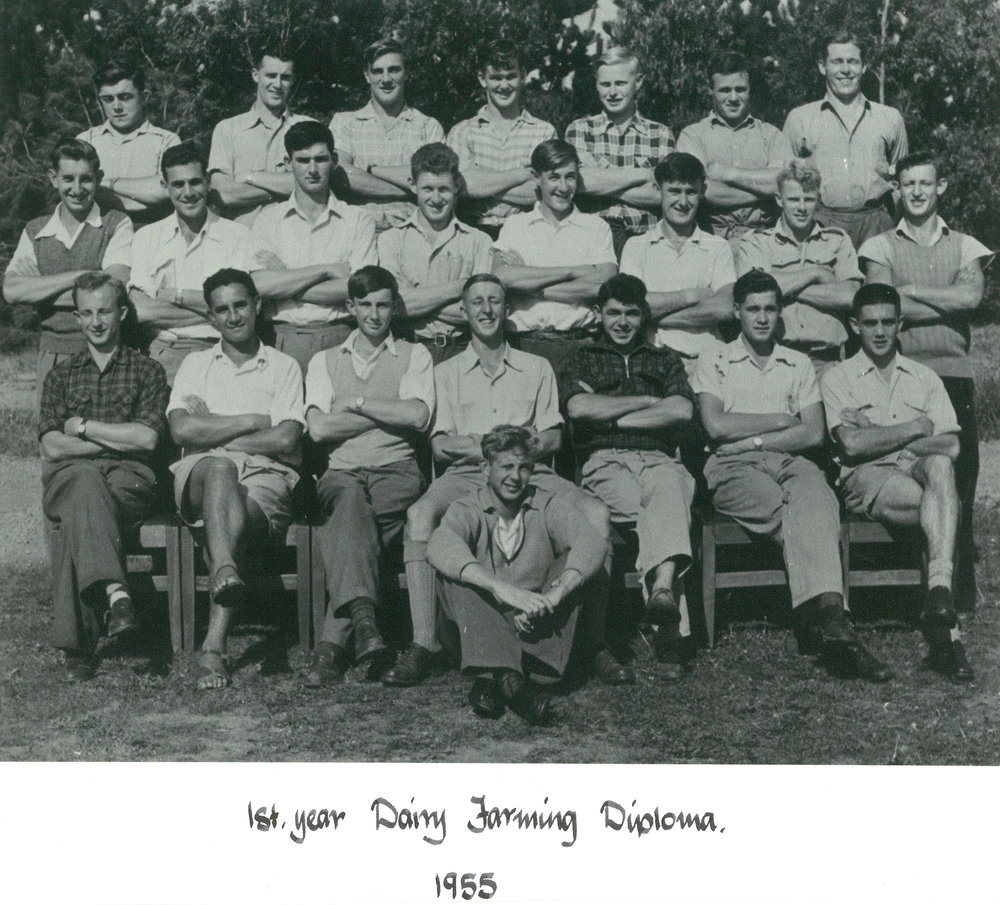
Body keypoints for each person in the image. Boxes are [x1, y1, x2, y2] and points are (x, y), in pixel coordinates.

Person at [389, 273, 620, 689]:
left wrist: (515, 451)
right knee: (420, 513)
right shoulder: (448, 371)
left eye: (495, 301)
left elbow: (552, 434)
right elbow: (442, 446)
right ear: (463, 311)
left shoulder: (536, 367)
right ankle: (423, 643)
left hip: (529, 470)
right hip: (468, 473)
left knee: (596, 513)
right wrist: (491, 450)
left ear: (508, 309)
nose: (487, 310)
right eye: (477, 302)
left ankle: (595, 643)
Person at [690, 269, 890, 681]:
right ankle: (827, 616)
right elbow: (715, 426)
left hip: (787, 460)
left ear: (780, 312)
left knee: (818, 496)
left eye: (770, 309)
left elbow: (813, 432)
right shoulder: (715, 359)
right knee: (788, 509)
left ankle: (831, 614)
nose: (762, 318)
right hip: (730, 468)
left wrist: (756, 440)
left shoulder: (797, 362)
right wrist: (782, 419)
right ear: (736, 312)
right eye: (753, 309)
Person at [858, 153, 992, 612]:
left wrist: (911, 292)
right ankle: (914, 588)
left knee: (961, 477)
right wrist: (942, 301)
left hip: (953, 375)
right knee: (910, 470)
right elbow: (882, 305)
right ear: (898, 189)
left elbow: (971, 296)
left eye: (925, 183)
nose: (916, 191)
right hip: (902, 373)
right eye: (908, 183)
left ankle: (956, 591)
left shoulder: (967, 246)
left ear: (942, 187)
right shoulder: (880, 247)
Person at [821, 283, 973, 681]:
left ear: (900, 323)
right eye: (870, 323)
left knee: (940, 467)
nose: (880, 331)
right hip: (868, 476)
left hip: (915, 466)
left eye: (888, 321)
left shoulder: (923, 377)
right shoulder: (839, 378)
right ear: (855, 326)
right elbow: (852, 445)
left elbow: (953, 444)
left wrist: (883, 432)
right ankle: (949, 638)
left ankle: (938, 590)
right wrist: (914, 427)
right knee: (942, 505)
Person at [168, 269, 305, 690]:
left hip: (264, 481)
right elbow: (182, 431)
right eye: (222, 310)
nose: (233, 316)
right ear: (211, 317)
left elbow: (287, 438)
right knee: (220, 470)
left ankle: (214, 637)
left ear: (257, 305)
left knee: (228, 519)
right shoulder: (195, 364)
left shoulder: (283, 367)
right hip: (201, 474)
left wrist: (213, 425)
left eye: (240, 305)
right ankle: (221, 592)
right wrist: (251, 421)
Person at [302, 266, 435, 686]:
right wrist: (384, 410)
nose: (375, 315)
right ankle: (360, 626)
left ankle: (334, 645)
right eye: (365, 305)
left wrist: (355, 403)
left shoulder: (415, 354)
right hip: (341, 472)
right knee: (352, 505)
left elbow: (417, 416)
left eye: (383, 305)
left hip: (396, 472)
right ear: (350, 307)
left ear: (394, 306)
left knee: (350, 524)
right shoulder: (324, 360)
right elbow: (319, 429)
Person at [560, 274, 697, 676]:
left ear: (643, 316)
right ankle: (670, 632)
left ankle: (661, 592)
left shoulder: (665, 359)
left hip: (658, 459)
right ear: (599, 314)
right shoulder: (581, 356)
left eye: (631, 313)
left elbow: (682, 410)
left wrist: (612, 414)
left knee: (668, 488)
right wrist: (647, 403)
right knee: (662, 511)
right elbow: (580, 409)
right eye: (614, 313)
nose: (622, 322)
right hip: (605, 461)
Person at [427, 425, 607, 725]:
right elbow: (439, 545)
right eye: (506, 466)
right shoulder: (467, 507)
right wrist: (500, 589)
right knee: (456, 574)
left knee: (574, 564)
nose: (515, 477)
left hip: (533, 624)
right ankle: (513, 683)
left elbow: (591, 541)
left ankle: (493, 677)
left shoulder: (546, 503)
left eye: (524, 467)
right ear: (485, 467)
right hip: (481, 624)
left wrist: (554, 594)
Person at [39, 272, 168, 680]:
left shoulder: (148, 370)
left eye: (105, 312)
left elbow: (146, 439)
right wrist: (115, 439)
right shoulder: (60, 375)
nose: (96, 322)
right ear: (76, 318)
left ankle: (78, 646)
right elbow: (52, 447)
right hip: (71, 477)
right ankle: (117, 594)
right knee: (84, 482)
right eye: (87, 313)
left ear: (123, 313)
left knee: (85, 499)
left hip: (130, 480)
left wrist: (84, 427)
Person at [4, 138, 133, 395]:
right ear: (54, 178)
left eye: (85, 179)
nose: (77, 188)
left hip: (106, 353)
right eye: (68, 179)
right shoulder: (36, 230)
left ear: (98, 178)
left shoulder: (117, 224)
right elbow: (12, 291)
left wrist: (39, 293)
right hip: (51, 353)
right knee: (52, 433)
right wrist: (85, 275)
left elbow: (113, 291)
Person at [247, 120, 377, 372]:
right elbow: (259, 286)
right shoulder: (267, 220)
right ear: (288, 164)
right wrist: (327, 270)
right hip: (281, 338)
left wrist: (285, 280)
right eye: (303, 160)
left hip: (341, 337)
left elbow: (361, 289)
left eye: (321, 159)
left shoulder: (358, 220)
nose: (313, 169)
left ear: (334, 160)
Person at [491, 138, 618, 376]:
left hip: (579, 345)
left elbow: (603, 284)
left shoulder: (595, 226)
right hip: (524, 345)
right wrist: (573, 271)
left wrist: (530, 283)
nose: (563, 186)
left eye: (570, 177)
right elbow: (501, 276)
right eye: (554, 177)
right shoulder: (516, 224)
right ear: (536, 177)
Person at [128, 142, 252, 382]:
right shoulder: (147, 237)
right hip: (164, 354)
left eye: (195, 182)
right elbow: (142, 311)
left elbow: (244, 310)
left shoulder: (238, 235)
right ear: (165, 187)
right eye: (178, 184)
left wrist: (174, 295)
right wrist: (218, 309)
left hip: (224, 352)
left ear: (207, 182)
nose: (188, 192)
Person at [783, 30, 907, 249]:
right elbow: (786, 182)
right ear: (823, 66)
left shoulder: (890, 118)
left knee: (879, 284)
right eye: (837, 62)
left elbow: (903, 177)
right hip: (821, 224)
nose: (846, 70)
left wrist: (888, 217)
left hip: (877, 225)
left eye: (853, 61)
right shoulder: (800, 119)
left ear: (864, 66)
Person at [735, 160, 861, 376]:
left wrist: (783, 287)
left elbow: (851, 296)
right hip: (774, 359)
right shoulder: (757, 242)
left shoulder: (837, 241)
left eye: (809, 199)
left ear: (818, 200)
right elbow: (754, 294)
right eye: (793, 199)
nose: (802, 208)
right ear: (779, 199)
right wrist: (817, 273)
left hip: (828, 361)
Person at [619, 152, 735, 377]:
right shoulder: (637, 245)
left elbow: (724, 308)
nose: (683, 202)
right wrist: (691, 296)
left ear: (701, 194)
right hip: (654, 361)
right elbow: (629, 307)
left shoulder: (717, 246)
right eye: (674, 191)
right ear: (658, 190)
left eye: (690, 192)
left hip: (709, 363)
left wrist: (651, 315)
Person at [377, 143, 492, 365]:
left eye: (444, 189)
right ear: (413, 185)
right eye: (428, 189)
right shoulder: (391, 239)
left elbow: (479, 312)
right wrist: (461, 286)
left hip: (461, 351)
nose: (436, 199)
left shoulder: (478, 241)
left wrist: (415, 298)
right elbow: (395, 308)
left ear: (457, 186)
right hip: (407, 349)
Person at [565, 47, 674, 259]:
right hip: (591, 240)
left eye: (620, 83)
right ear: (596, 85)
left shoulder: (660, 134)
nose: (612, 92)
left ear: (638, 82)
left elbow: (661, 193)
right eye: (605, 84)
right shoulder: (579, 129)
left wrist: (600, 177)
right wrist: (645, 174)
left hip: (644, 239)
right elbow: (578, 183)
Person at [329, 37, 444, 232]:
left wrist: (368, 170)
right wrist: (412, 189)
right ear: (367, 75)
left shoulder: (428, 127)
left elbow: (436, 181)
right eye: (377, 71)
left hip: (412, 233)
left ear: (406, 73)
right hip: (357, 232)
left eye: (394, 70)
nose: (386, 79)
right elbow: (341, 177)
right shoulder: (345, 123)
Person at [676, 51, 791, 241]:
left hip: (766, 238)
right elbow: (705, 192)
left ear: (750, 88)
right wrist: (766, 191)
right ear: (709, 89)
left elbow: (784, 184)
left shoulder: (771, 135)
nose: (733, 98)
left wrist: (730, 174)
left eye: (740, 89)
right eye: (724, 90)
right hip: (712, 239)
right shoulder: (693, 136)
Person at [446, 40, 556, 239]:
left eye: (511, 77)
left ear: (522, 76)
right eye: (496, 77)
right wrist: (522, 174)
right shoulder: (462, 132)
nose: (504, 86)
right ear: (482, 79)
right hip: (471, 232)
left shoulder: (543, 132)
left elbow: (544, 191)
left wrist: (481, 183)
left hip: (527, 233)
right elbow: (460, 186)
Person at [207, 48, 314, 224]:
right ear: (256, 75)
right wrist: (287, 186)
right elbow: (223, 195)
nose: (278, 84)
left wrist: (251, 177)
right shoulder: (227, 129)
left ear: (292, 80)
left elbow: (317, 184)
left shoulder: (308, 127)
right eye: (271, 76)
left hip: (294, 237)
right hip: (243, 239)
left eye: (285, 77)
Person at [78, 62, 180, 225]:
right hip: (99, 235)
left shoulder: (167, 141)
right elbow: (78, 192)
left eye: (125, 97)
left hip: (151, 235)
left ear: (144, 97)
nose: (116, 107)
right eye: (108, 99)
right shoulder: (85, 141)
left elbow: (168, 192)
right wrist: (146, 196)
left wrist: (106, 184)